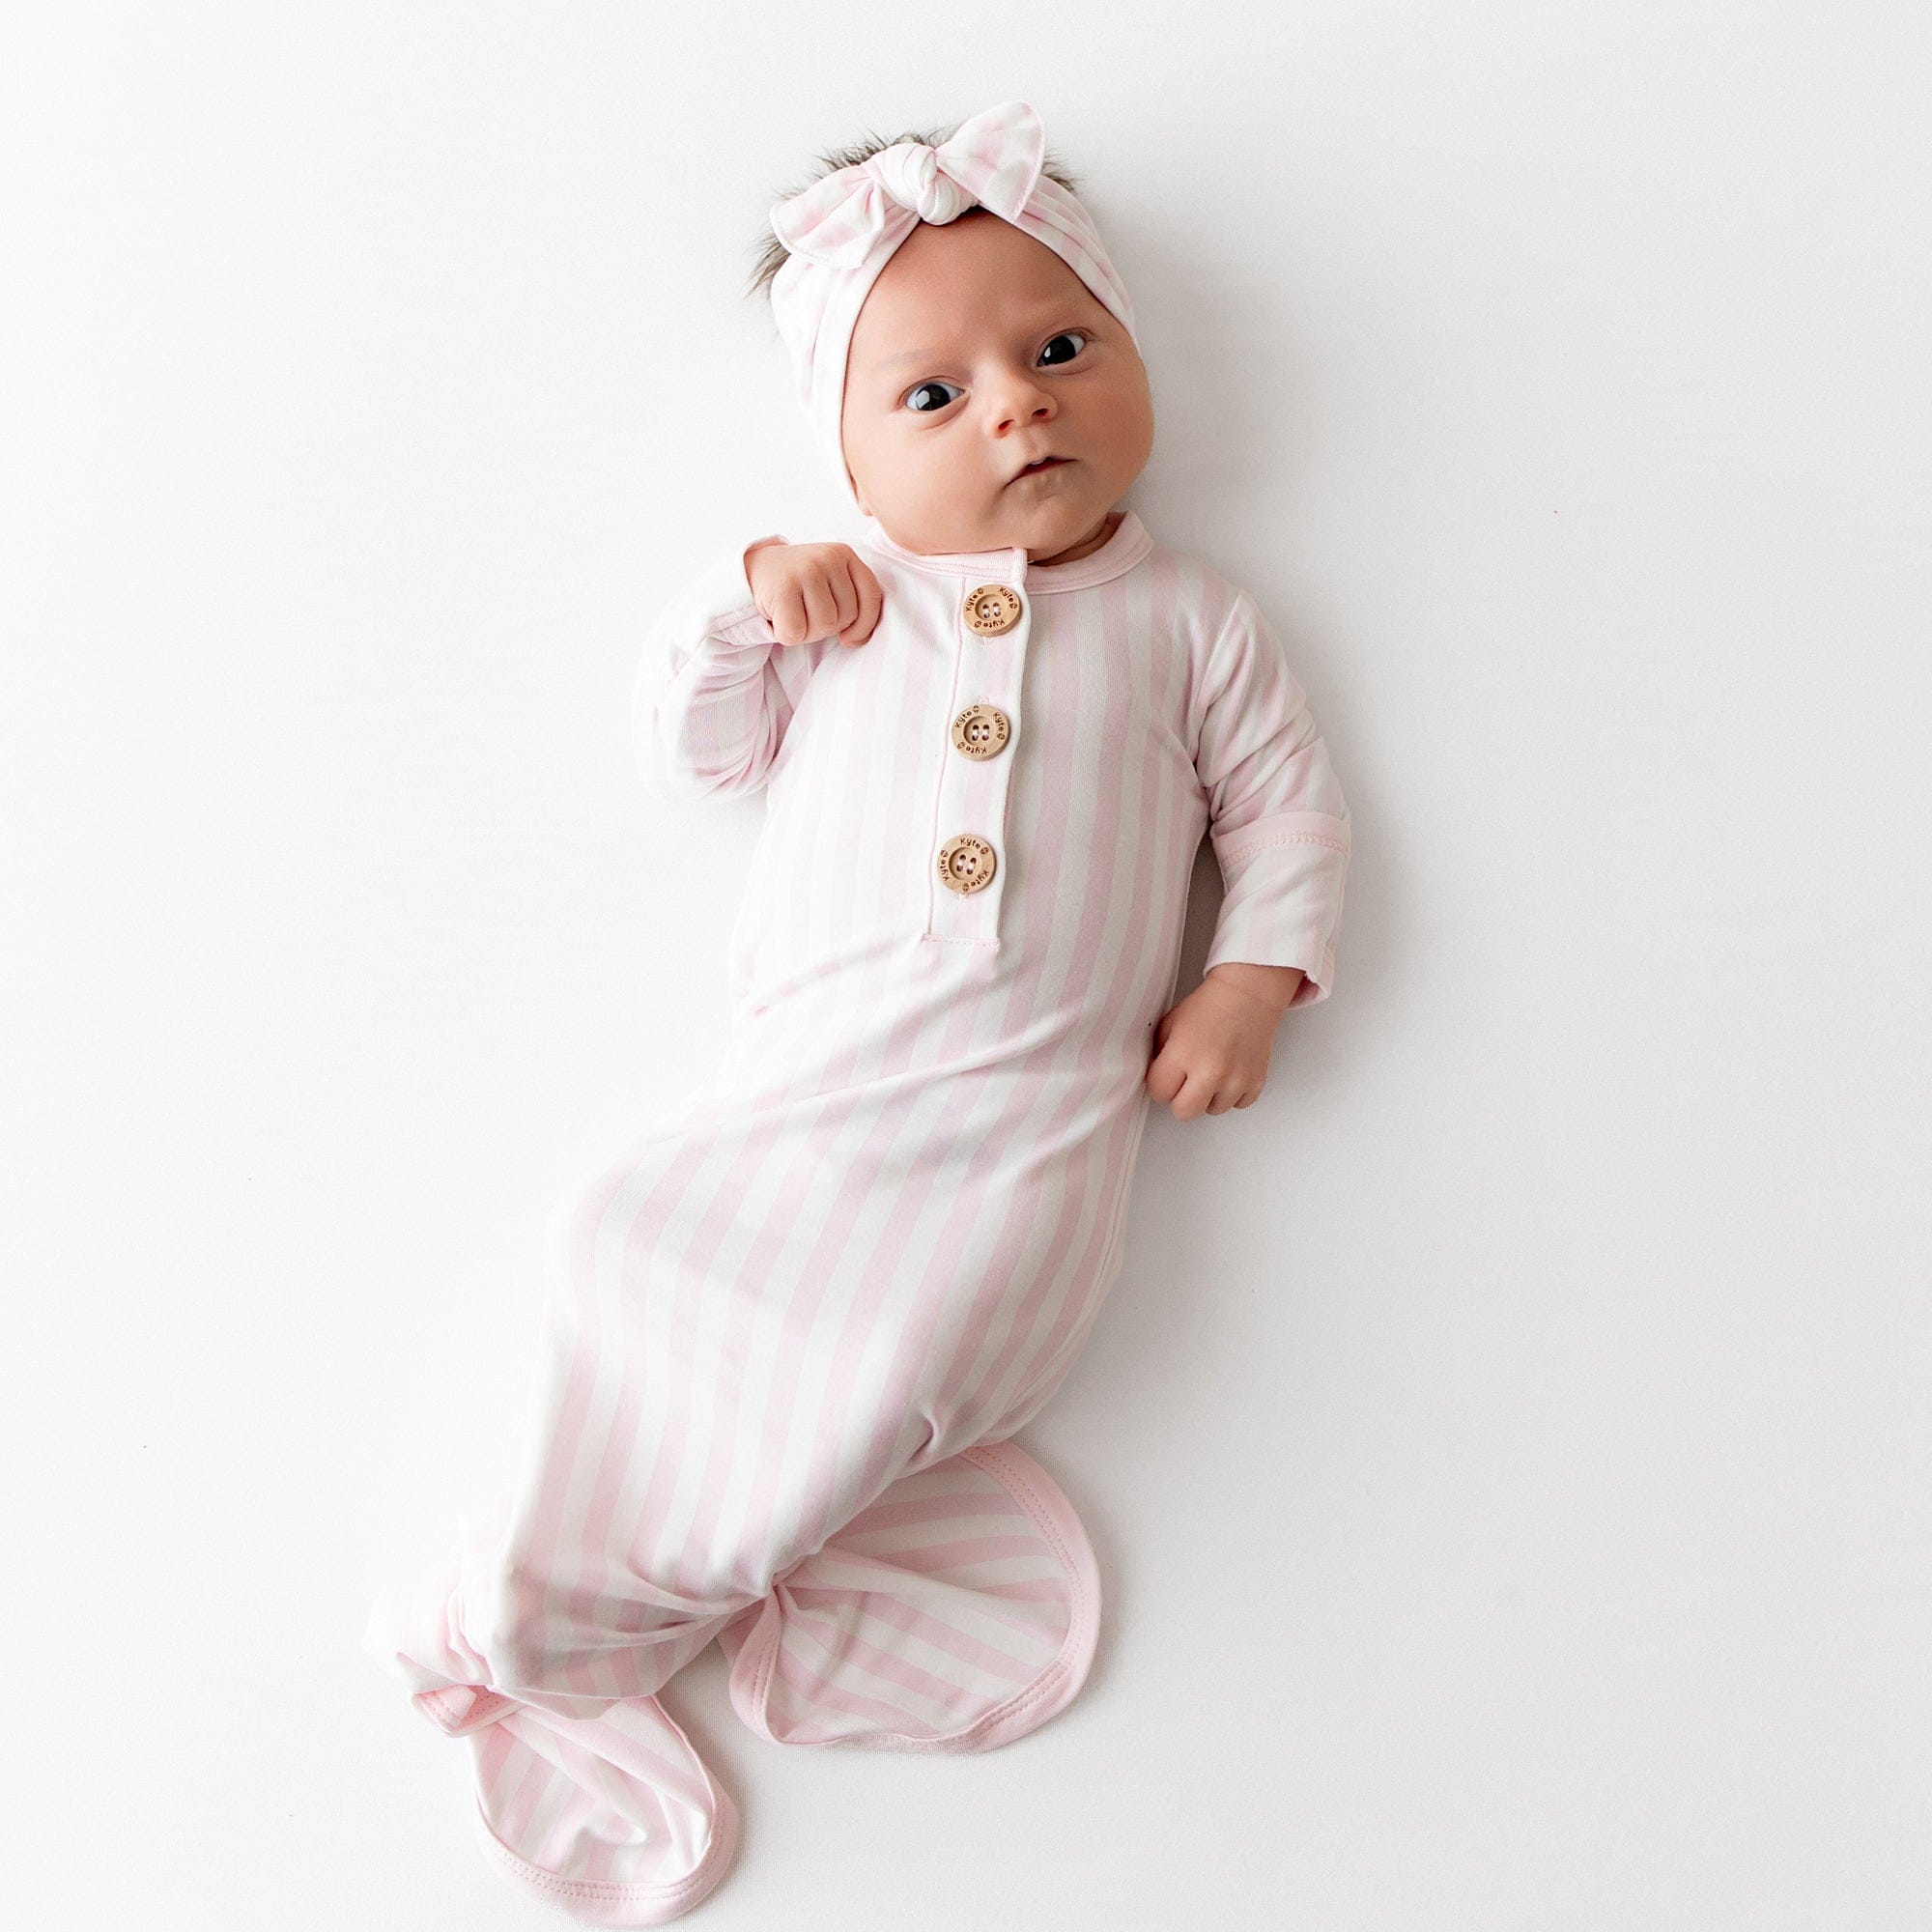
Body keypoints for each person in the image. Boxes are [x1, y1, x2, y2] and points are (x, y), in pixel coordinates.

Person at [364, 96, 1353, 1925]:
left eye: (1061, 350)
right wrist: (744, 607)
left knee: (911, 1358)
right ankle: (570, 1597)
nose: (1018, 407)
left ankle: (603, 1609)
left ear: (1132, 356)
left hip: (1029, 1125)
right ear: (841, 452)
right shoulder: (848, 606)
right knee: (621, 1244)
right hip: (802, 1095)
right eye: (934, 395)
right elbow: (701, 757)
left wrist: (1250, 977)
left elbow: (1286, 804)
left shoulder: (1193, 617)